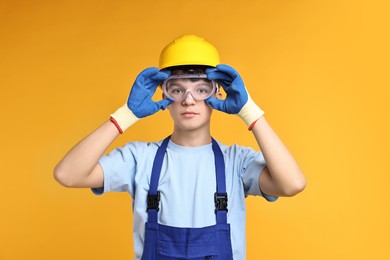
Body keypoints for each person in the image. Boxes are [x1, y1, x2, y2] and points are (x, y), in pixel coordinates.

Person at [54, 34, 306, 260]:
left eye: (200, 89)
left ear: (218, 95)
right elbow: (68, 174)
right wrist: (124, 115)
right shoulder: (140, 159)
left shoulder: (236, 162)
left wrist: (250, 112)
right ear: (164, 96)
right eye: (177, 89)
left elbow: (292, 184)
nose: (188, 99)